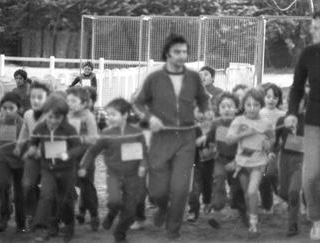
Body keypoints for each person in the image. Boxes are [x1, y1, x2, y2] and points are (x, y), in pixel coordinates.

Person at [134, 34, 210, 239]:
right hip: (161, 137)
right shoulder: (154, 78)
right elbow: (137, 103)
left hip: (186, 137)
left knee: (180, 188)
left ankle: (173, 230)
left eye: (185, 51)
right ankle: (162, 208)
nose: (182, 56)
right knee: (157, 191)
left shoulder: (194, 77)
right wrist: (149, 118)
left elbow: (204, 99)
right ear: (168, 53)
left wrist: (205, 110)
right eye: (177, 51)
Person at [78, 98, 148, 243]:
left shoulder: (136, 132)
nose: (109, 118)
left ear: (125, 115)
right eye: (108, 115)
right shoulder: (106, 133)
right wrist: (84, 166)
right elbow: (92, 151)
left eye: (113, 115)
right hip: (114, 175)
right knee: (115, 201)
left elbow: (144, 153)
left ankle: (120, 233)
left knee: (130, 211)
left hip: (133, 177)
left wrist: (143, 165)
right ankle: (111, 214)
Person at [28, 94, 86, 242]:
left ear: (64, 116)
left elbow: (79, 148)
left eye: (57, 118)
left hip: (66, 170)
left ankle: (69, 225)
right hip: (48, 169)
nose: (53, 121)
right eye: (50, 117)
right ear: (45, 114)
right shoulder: (40, 127)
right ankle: (45, 227)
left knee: (65, 199)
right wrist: (33, 149)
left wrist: (68, 154)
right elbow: (33, 141)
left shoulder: (69, 129)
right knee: (47, 195)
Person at [284, 11, 320, 240]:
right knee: (309, 178)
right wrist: (291, 113)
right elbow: (296, 88)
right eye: (314, 27)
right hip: (314, 124)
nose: (314, 32)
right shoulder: (309, 54)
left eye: (318, 28)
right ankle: (316, 219)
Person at [226, 88, 274, 236]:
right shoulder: (238, 120)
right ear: (243, 105)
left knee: (253, 191)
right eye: (248, 105)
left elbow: (272, 138)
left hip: (258, 163)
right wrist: (245, 133)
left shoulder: (266, 122)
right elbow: (229, 140)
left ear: (261, 105)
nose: (252, 108)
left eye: (256, 105)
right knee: (248, 194)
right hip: (242, 164)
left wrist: (268, 144)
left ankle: (253, 224)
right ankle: (251, 216)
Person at [204, 92, 247, 227]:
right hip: (220, 159)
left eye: (230, 106)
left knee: (237, 189)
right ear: (218, 109)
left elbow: (246, 146)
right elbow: (210, 141)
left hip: (237, 161)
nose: (227, 109)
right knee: (218, 180)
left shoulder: (241, 124)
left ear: (236, 108)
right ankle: (216, 214)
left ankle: (243, 213)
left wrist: (236, 162)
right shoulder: (216, 124)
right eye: (223, 106)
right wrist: (208, 149)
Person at [0, 92, 25, 233]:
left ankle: (21, 222)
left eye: (11, 108)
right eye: (4, 108)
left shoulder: (23, 123)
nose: (7, 111)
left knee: (20, 194)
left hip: (21, 164)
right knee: (3, 186)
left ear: (19, 109)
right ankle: (3, 217)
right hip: (3, 162)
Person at [15, 81, 51, 231]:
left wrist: (40, 150)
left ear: (48, 98)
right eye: (33, 97)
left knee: (50, 189)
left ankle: (52, 217)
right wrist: (18, 146)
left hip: (51, 158)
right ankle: (31, 216)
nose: (35, 100)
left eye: (40, 97)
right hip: (32, 156)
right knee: (27, 185)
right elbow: (25, 132)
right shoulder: (28, 114)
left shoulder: (53, 116)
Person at [66, 87, 100, 231]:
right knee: (67, 186)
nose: (70, 104)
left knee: (87, 187)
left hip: (85, 156)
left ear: (84, 103)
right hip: (70, 156)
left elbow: (94, 139)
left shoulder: (88, 116)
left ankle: (94, 215)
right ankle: (68, 220)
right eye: (69, 101)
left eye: (74, 101)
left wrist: (79, 139)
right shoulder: (67, 115)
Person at [275, 95, 307, 237]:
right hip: (284, 158)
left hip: (301, 159)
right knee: (283, 193)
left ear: (304, 104)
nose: (293, 104)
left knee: (294, 192)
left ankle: (293, 224)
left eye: (298, 101)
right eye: (290, 101)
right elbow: (274, 140)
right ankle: (295, 206)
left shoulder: (309, 121)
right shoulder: (282, 120)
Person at [259, 83, 285, 214]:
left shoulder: (282, 114)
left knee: (270, 174)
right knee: (262, 179)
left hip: (276, 150)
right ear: (263, 97)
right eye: (268, 96)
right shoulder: (258, 113)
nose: (271, 99)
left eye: (275, 97)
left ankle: (279, 193)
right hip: (261, 150)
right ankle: (267, 205)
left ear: (279, 99)